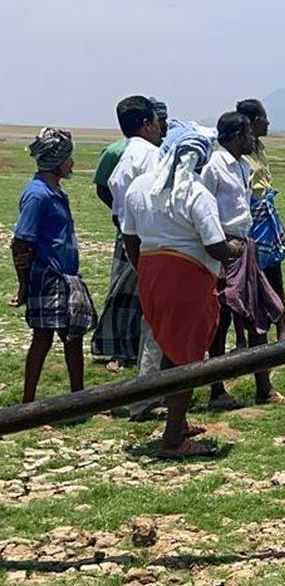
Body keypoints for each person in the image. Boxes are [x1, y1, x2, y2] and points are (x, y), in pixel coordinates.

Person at [121, 131, 244, 458]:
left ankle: (179, 420)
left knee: (167, 347)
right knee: (187, 358)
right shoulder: (196, 193)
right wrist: (235, 250)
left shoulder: (139, 188)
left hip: (150, 274)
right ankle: (173, 440)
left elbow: (129, 239)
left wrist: (144, 271)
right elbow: (215, 246)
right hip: (187, 278)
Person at [201, 112, 284, 410]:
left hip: (244, 246)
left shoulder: (240, 166)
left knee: (257, 315)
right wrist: (221, 249)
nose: (253, 139)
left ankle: (264, 388)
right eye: (249, 133)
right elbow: (205, 209)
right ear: (236, 136)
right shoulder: (214, 167)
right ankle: (217, 389)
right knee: (221, 319)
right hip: (225, 248)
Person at [10, 128, 96, 403]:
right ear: (57, 161)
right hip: (49, 275)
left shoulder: (53, 191)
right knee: (43, 337)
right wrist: (23, 285)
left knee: (73, 336)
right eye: (69, 158)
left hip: (65, 276)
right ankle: (27, 402)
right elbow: (21, 241)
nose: (72, 163)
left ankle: (78, 399)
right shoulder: (39, 195)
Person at [91, 97, 168, 371]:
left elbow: (115, 195)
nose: (161, 127)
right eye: (157, 121)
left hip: (130, 234)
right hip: (152, 240)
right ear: (147, 124)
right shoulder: (152, 155)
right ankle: (149, 379)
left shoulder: (127, 156)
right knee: (149, 305)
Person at [237, 98, 285, 406]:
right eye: (263, 118)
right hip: (248, 226)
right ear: (251, 121)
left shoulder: (258, 150)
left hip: (265, 219)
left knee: (274, 277)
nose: (268, 123)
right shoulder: (235, 157)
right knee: (249, 288)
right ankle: (249, 349)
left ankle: (281, 336)